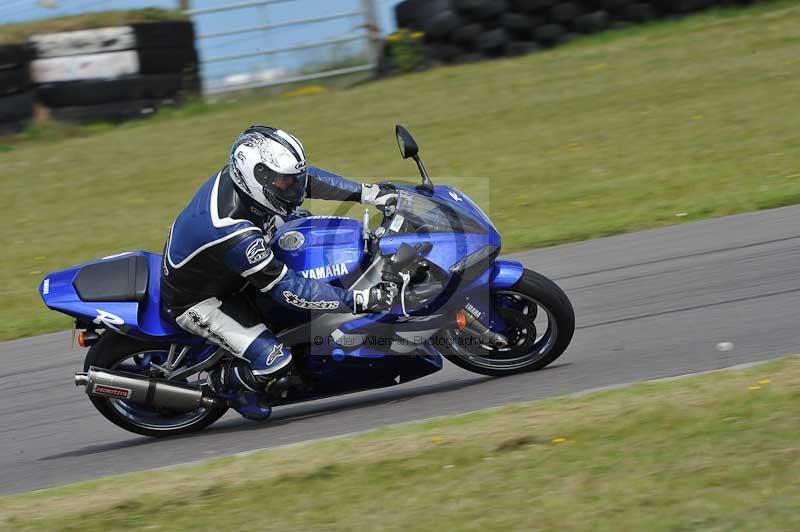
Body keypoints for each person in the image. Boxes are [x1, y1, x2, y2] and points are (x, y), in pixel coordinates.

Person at [160, 125, 398, 419]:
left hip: (227, 269)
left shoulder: (246, 185)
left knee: (309, 230)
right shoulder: (234, 232)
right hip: (202, 300)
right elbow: (290, 291)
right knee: (275, 361)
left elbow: (310, 181)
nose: (294, 187)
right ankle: (228, 386)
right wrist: (360, 301)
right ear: (257, 177)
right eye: (285, 182)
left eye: (292, 179)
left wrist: (367, 193)